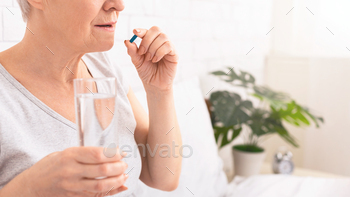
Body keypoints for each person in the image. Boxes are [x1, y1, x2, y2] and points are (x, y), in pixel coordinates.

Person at [0, 0, 182, 196]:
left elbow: (164, 177)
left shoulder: (104, 68)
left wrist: (159, 91)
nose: (118, 5)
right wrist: (30, 187)